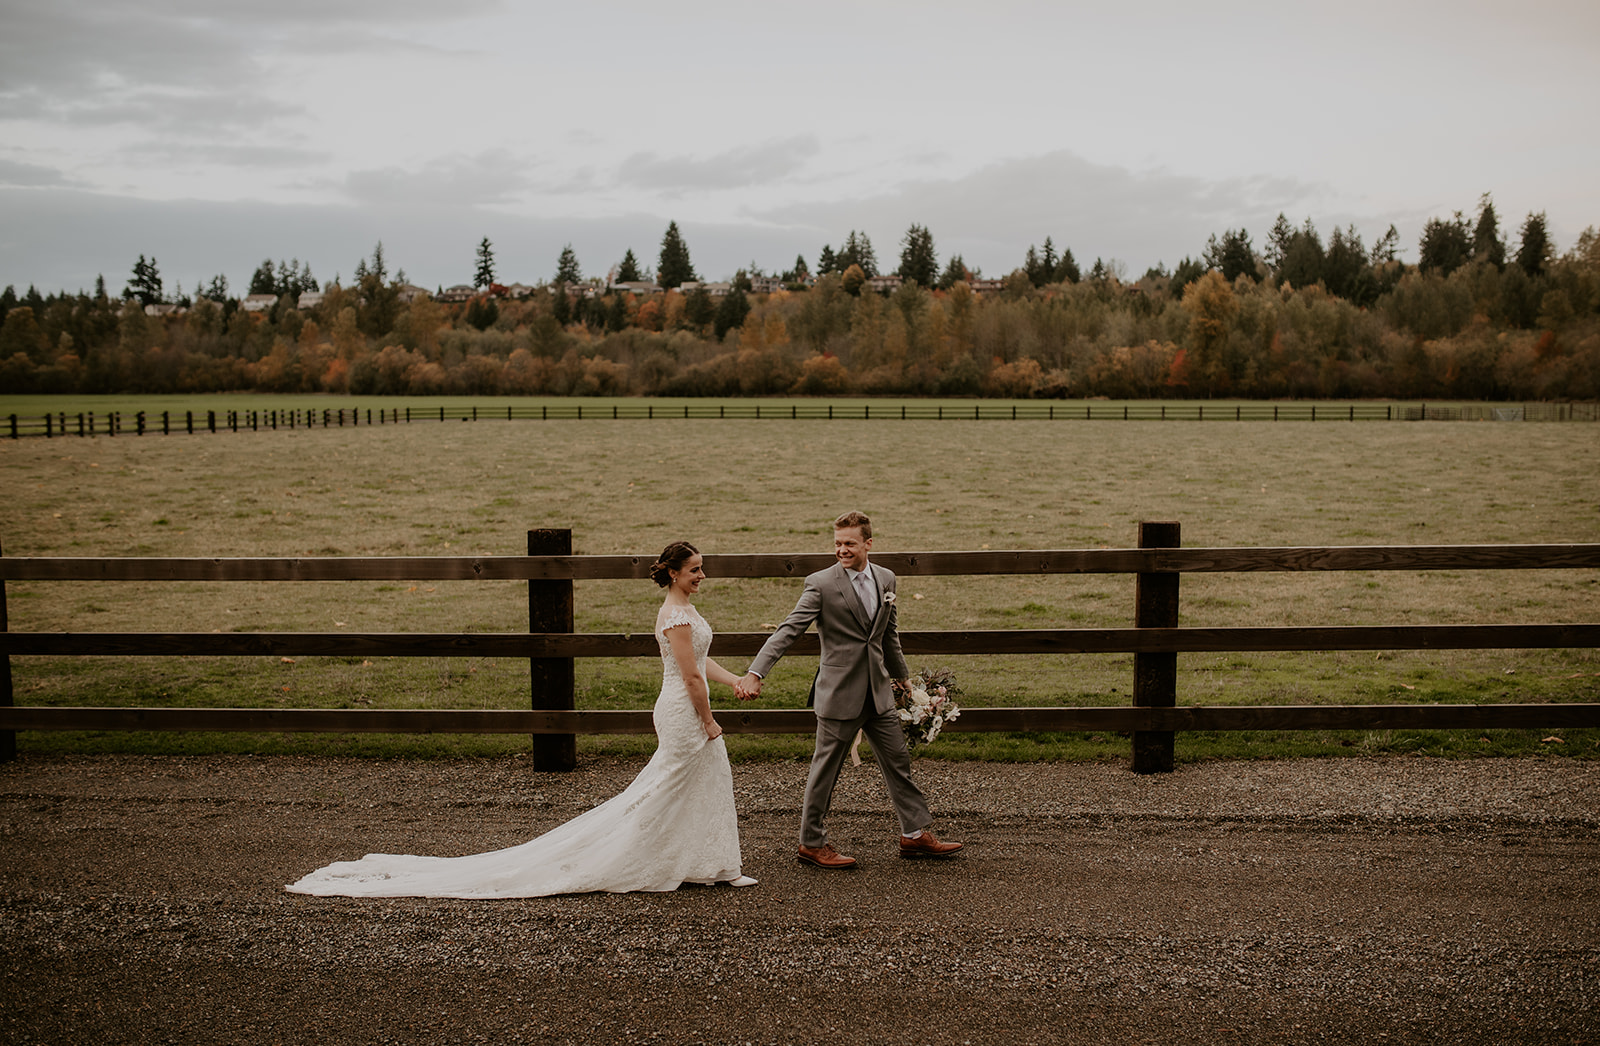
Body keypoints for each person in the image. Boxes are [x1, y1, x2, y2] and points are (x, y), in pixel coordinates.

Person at [286, 541, 756, 897]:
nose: (702, 575)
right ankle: (657, 859)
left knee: (698, 779)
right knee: (672, 785)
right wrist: (708, 721)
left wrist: (733, 678)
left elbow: (700, 662)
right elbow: (689, 677)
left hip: (685, 704)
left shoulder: (686, 611)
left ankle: (709, 863)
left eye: (701, 569)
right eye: (695, 570)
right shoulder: (675, 615)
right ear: (673, 573)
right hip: (682, 710)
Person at [738, 511, 962, 869]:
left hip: (878, 692)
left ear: (868, 544)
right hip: (839, 694)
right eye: (838, 543)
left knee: (898, 761)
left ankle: (914, 834)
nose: (842, 550)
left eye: (849, 544)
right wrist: (756, 672)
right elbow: (789, 630)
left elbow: (888, 634)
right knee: (825, 770)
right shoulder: (821, 584)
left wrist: (902, 678)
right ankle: (811, 843)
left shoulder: (886, 578)